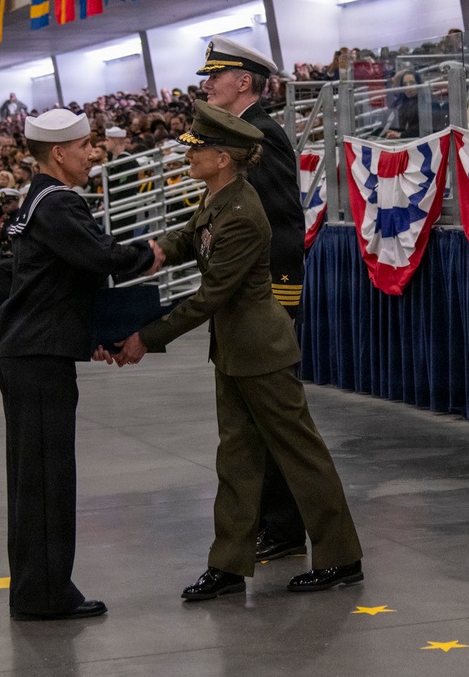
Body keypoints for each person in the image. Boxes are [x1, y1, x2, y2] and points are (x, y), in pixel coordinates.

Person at [111, 101, 364, 599]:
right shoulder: (218, 198)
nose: (190, 156)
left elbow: (210, 297)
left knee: (300, 455)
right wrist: (147, 254)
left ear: (223, 157)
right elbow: (188, 239)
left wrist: (146, 337)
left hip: (262, 352)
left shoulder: (245, 213)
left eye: (197, 150)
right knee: (236, 459)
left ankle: (341, 558)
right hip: (233, 351)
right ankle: (228, 564)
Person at [0, 108, 157, 621]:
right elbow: (99, 256)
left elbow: (64, 282)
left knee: (32, 479)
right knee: (46, 479)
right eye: (86, 146)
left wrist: (90, 334)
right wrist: (151, 254)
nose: (95, 153)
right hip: (39, 357)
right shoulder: (59, 202)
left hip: (33, 350)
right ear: (58, 153)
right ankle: (45, 595)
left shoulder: (40, 198)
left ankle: (34, 589)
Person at [196, 35, 308, 562]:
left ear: (244, 82)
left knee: (275, 421)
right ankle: (272, 525)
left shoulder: (263, 135)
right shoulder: (239, 134)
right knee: (252, 423)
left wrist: (279, 297)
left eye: (216, 75)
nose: (207, 83)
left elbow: (284, 223)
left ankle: (284, 529)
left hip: (266, 299)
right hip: (242, 299)